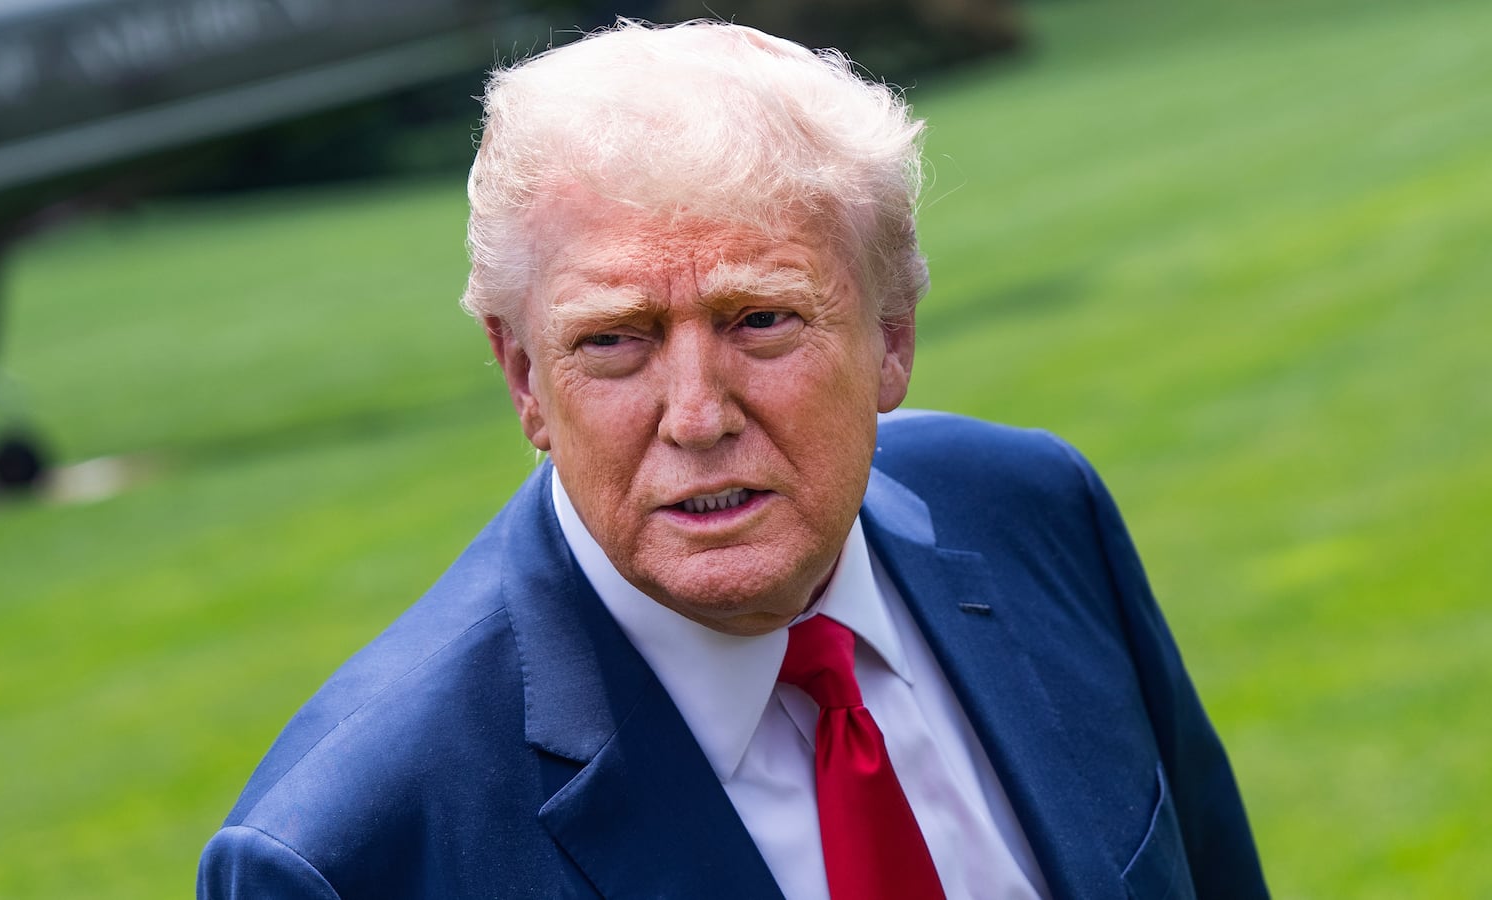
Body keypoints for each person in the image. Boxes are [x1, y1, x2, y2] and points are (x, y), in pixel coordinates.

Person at [198, 20, 1268, 900]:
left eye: (759, 319)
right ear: (524, 377)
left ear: (890, 337)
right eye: (614, 340)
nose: (697, 415)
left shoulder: (1030, 511)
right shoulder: (345, 855)